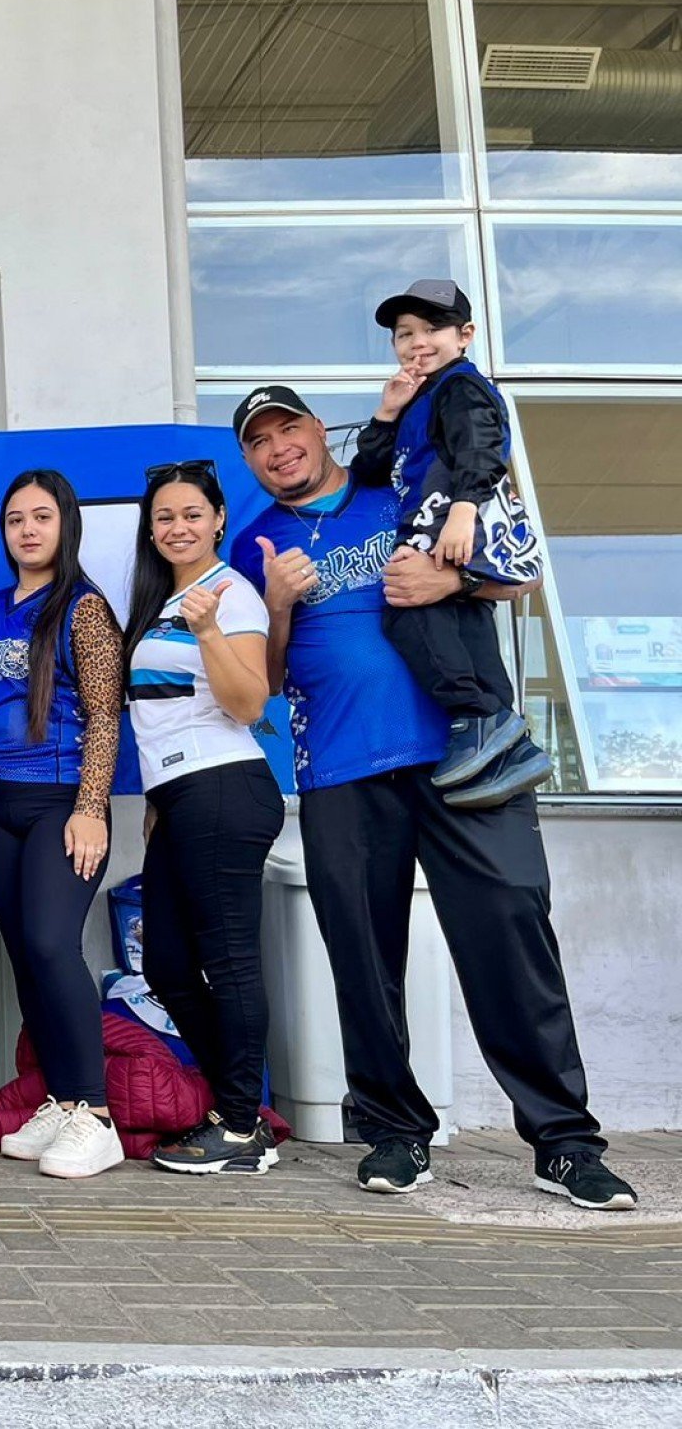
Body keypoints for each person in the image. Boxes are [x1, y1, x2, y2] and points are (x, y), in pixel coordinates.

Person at [232, 385, 635, 1210]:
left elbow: (521, 569)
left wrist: (449, 585)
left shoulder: (410, 489)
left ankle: (563, 1142)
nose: (278, 448)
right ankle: (393, 1131)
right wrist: (275, 607)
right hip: (341, 773)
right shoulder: (256, 544)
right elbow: (263, 683)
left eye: (288, 428)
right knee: (364, 959)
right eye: (258, 442)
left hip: (466, 755)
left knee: (511, 936)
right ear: (249, 461)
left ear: (319, 430)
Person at [0, 470, 126, 1179]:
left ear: (66, 526)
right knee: (26, 956)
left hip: (60, 800)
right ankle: (59, 1097)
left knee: (56, 946)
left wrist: (90, 807)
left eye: (42, 517)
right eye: (16, 519)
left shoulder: (83, 609)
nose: (28, 530)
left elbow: (106, 715)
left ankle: (98, 1115)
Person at [122, 459, 285, 1177]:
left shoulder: (228, 595)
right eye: (164, 517)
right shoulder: (168, 598)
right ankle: (237, 1108)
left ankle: (242, 1125)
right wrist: (156, 807)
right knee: (165, 963)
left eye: (192, 513)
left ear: (219, 519)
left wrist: (213, 632)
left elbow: (250, 703)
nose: (178, 526)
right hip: (181, 798)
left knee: (229, 962)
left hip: (224, 786)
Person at [354, 280, 550, 808]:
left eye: (432, 328)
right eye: (404, 333)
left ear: (465, 335)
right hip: (439, 514)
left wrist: (464, 509)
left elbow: (483, 446)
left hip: (447, 513)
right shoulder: (420, 396)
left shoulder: (460, 387)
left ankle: (479, 718)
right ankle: (511, 745)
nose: (417, 342)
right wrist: (387, 412)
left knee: (405, 609)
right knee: (455, 620)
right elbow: (367, 471)